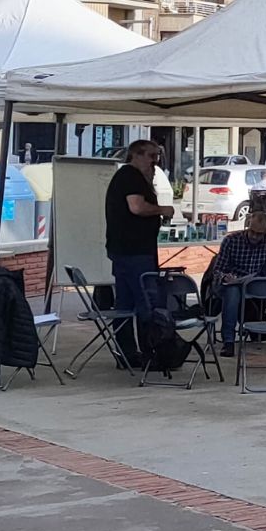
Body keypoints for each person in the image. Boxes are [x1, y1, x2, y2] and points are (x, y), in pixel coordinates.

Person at [104, 140, 173, 364]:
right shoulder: (130, 176)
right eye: (152, 156)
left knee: (125, 304)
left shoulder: (133, 177)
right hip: (135, 253)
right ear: (136, 155)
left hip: (127, 251)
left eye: (157, 157)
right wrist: (163, 209)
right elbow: (137, 207)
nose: (155, 162)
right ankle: (151, 352)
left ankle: (127, 354)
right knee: (146, 302)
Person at [205, 209, 266, 357]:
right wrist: (226, 277)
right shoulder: (231, 240)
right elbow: (217, 270)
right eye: (253, 232)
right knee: (232, 293)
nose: (255, 237)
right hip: (233, 282)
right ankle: (228, 341)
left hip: (256, 282)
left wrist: (265, 279)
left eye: (260, 234)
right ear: (247, 227)